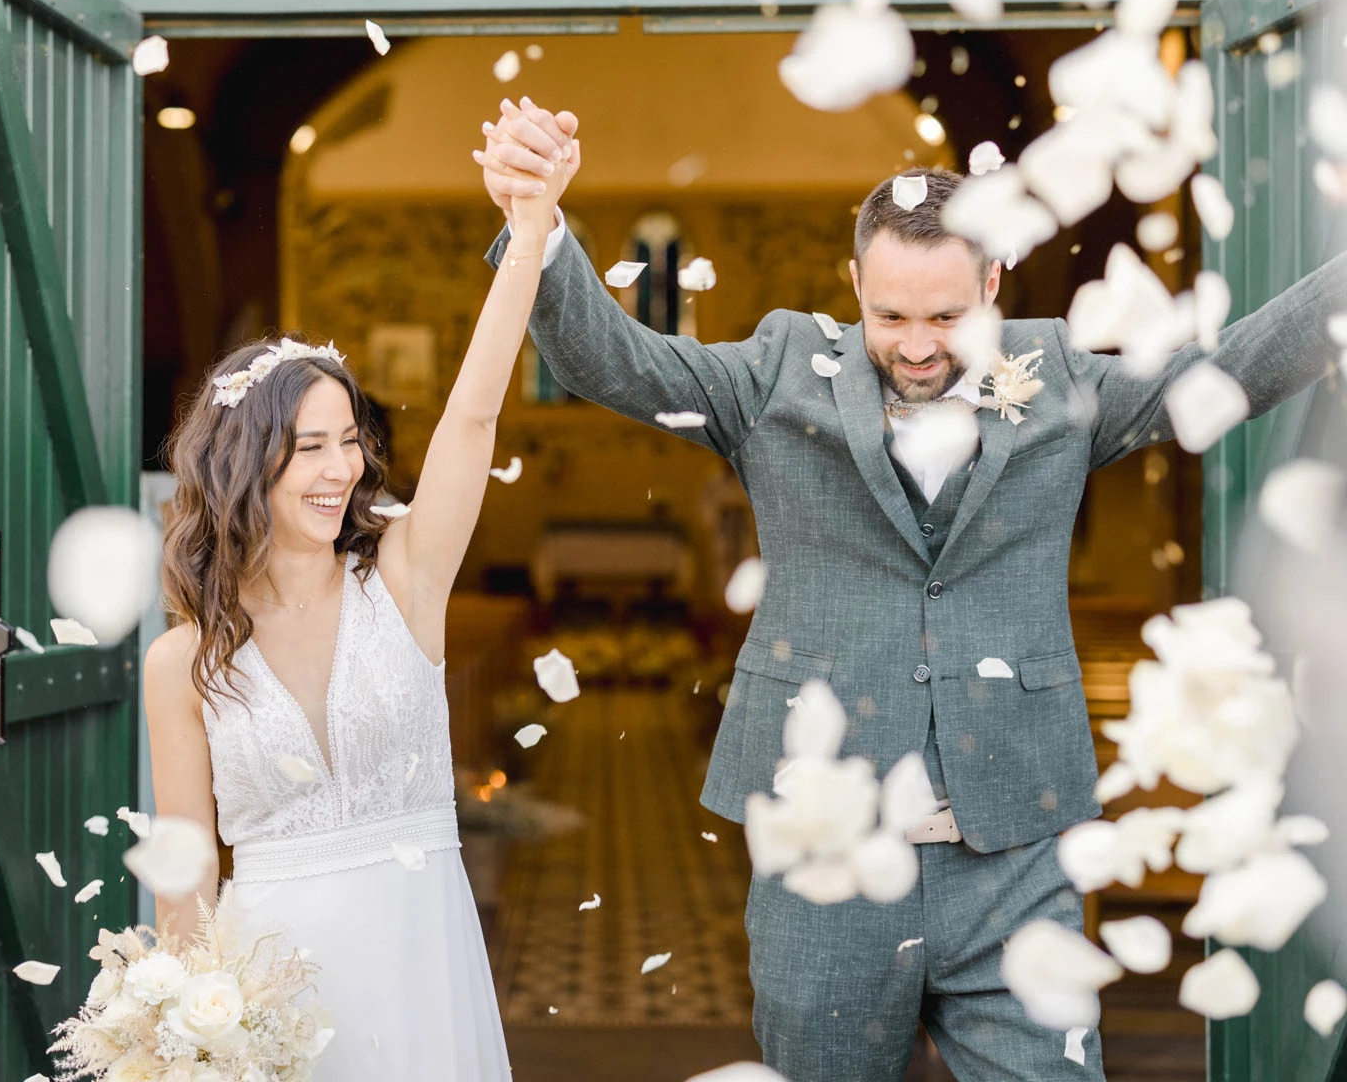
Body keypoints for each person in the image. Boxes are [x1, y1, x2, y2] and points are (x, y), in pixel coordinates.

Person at [476, 102, 1346, 1082]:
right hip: (825, 858)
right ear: (855, 284)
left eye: (947, 316)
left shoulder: (1056, 374)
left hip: (1014, 854)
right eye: (890, 317)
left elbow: (1222, 374)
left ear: (993, 281)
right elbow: (618, 362)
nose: (920, 344)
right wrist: (541, 227)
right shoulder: (776, 375)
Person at [140, 137, 579, 1080]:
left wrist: (530, 228)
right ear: (242, 464)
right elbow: (188, 879)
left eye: (350, 441)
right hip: (271, 1003)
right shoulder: (182, 662)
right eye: (310, 447)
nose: (341, 468)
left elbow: (471, 418)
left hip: (421, 971)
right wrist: (188, 1043)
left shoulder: (406, 583)